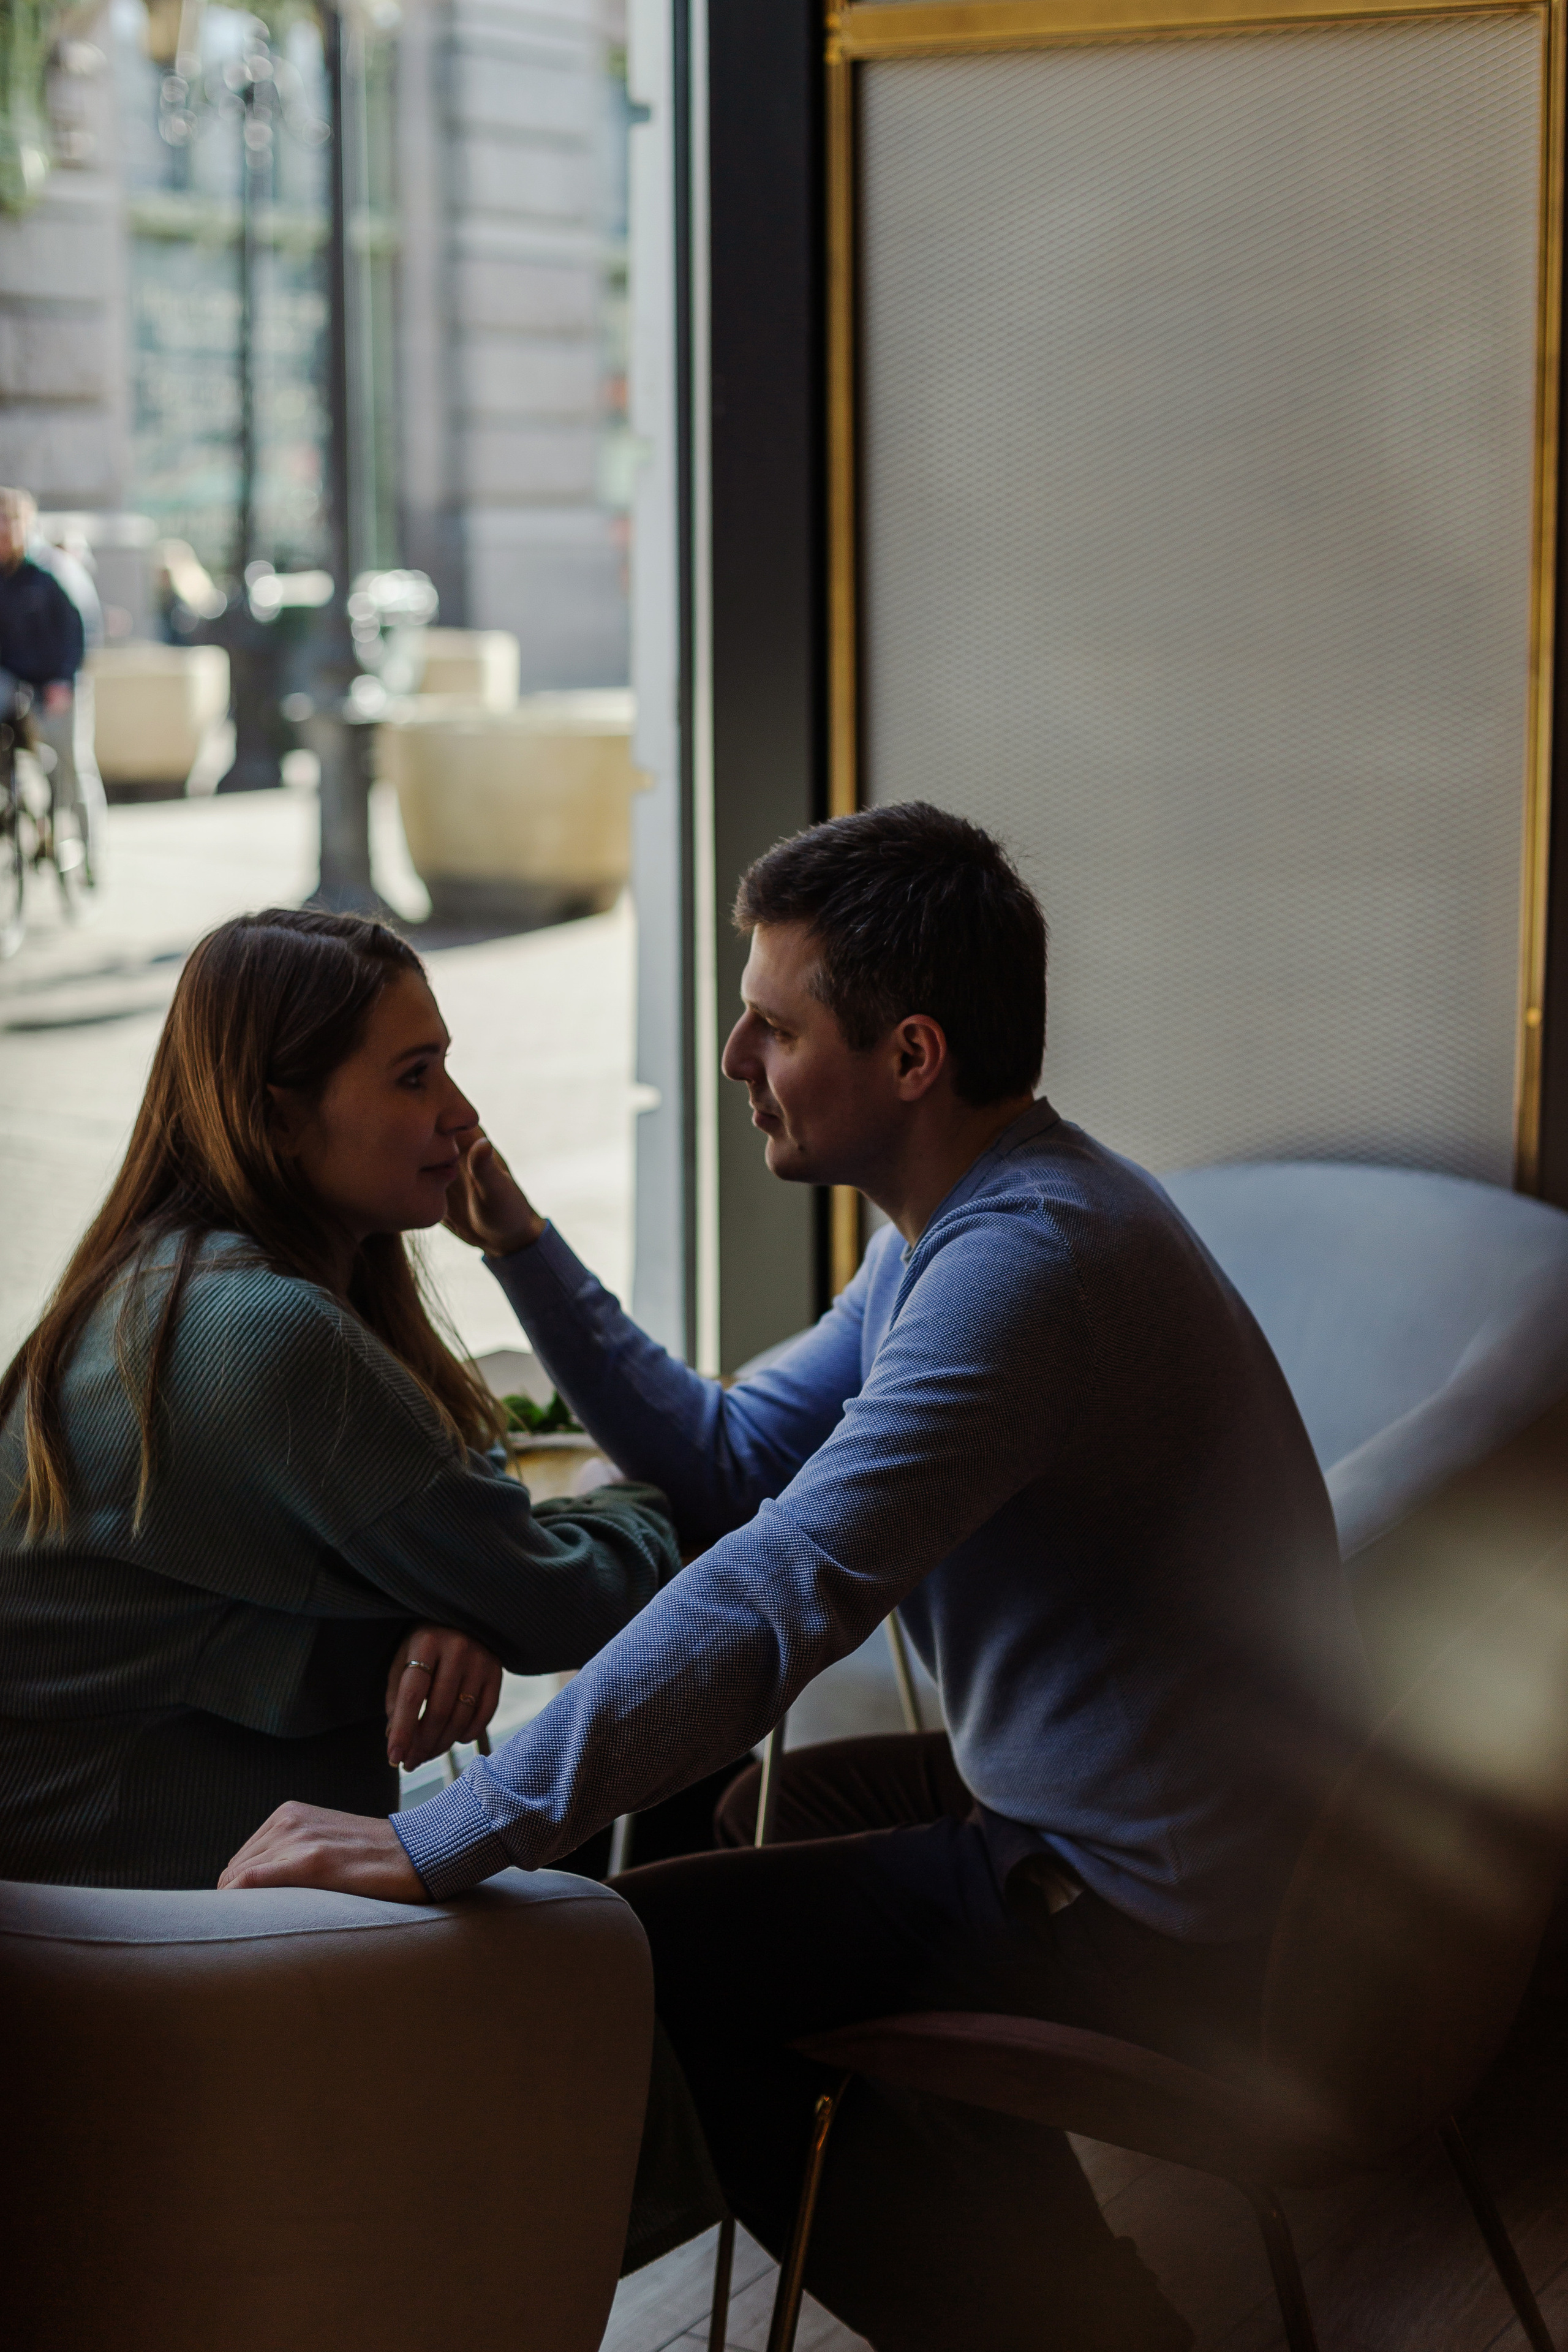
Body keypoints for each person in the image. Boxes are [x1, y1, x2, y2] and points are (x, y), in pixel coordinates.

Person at [223, 806, 1372, 2350]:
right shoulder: (956, 1227)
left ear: (907, 1055)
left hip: (1171, 1918)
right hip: (1150, 1821)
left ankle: (1081, 2327)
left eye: (770, 1023)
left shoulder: (1025, 1270)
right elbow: (728, 1453)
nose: (730, 1059)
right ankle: (1033, 2248)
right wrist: (525, 1250)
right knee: (737, 1823)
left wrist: (440, 1839)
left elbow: (782, 1577)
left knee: (653, 1966)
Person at [0, 907, 685, 1890]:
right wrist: (635, 1495)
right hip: (157, 1937)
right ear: (278, 1116)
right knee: (622, 1925)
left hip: (155, 1893)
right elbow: (563, 1602)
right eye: (415, 1077)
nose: (463, 1112)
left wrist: (449, 1604)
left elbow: (452, 1506)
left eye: (445, 1064)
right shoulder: (269, 1340)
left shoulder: (160, 1283)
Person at [0, 486, 104, 878]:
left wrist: (64, 679)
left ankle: (90, 856)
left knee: (72, 767)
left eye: (10, 522)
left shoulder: (53, 571)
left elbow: (82, 629)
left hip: (58, 682)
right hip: (14, 681)